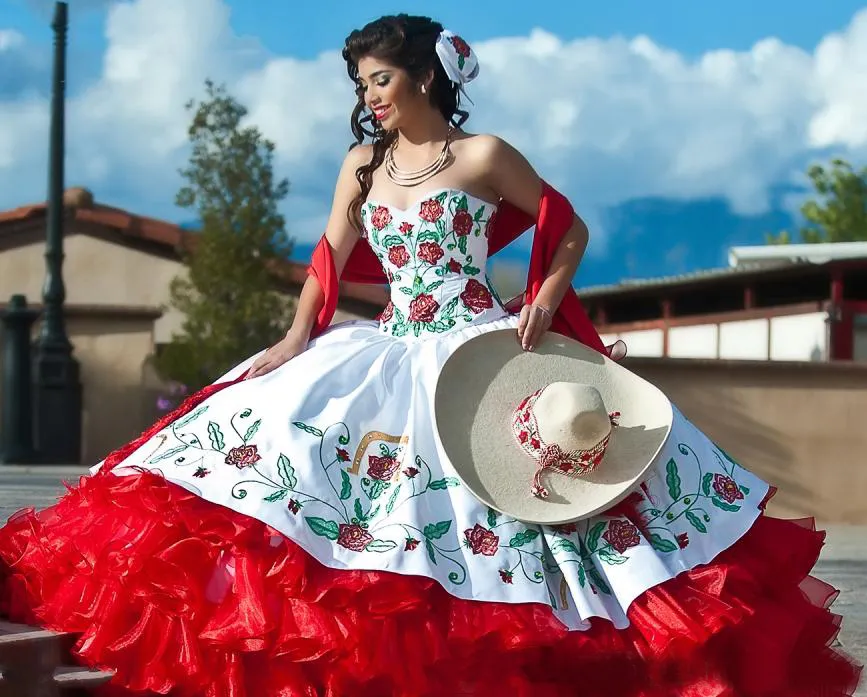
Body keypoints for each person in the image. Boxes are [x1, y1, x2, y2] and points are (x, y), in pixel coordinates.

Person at [0, 13, 861, 697]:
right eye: (360, 83)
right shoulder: (362, 164)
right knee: (305, 467)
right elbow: (328, 261)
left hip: (478, 345)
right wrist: (296, 340)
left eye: (380, 78)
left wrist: (542, 303)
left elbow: (569, 226)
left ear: (424, 75)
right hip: (386, 344)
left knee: (525, 508)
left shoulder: (481, 155)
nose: (369, 95)